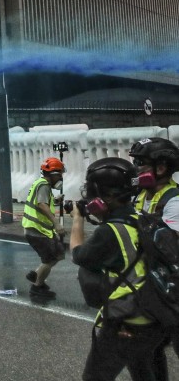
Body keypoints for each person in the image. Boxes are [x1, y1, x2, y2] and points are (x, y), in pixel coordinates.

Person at [70, 157, 165, 381]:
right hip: (155, 316)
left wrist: (77, 220)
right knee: (142, 370)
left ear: (108, 197)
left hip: (127, 320)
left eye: (94, 193)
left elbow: (79, 256)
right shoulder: (144, 218)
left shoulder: (110, 232)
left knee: (95, 377)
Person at [129, 138, 179, 381]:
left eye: (140, 163)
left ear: (160, 168)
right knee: (151, 347)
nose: (136, 169)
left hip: (174, 289)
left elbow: (170, 247)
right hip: (154, 286)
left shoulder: (175, 201)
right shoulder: (140, 196)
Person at [22, 157, 66, 298]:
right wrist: (57, 223)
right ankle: (37, 287)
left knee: (58, 254)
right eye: (59, 174)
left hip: (41, 230)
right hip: (37, 230)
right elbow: (42, 204)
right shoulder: (44, 185)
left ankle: (36, 275)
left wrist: (55, 200)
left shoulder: (41, 183)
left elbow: (43, 202)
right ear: (53, 174)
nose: (61, 177)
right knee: (50, 259)